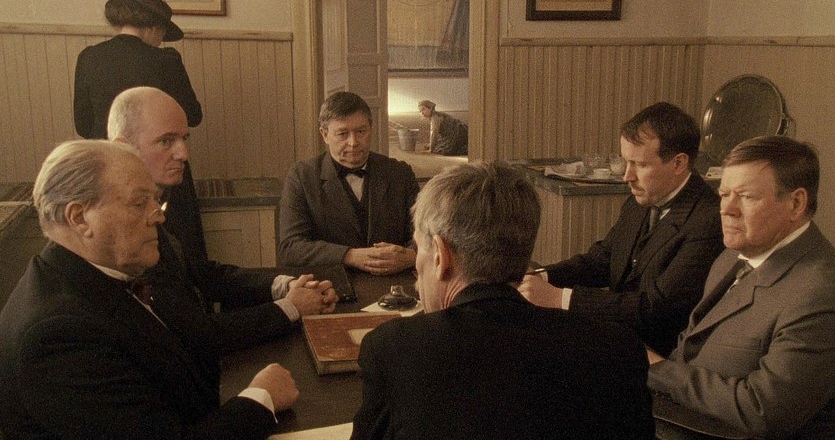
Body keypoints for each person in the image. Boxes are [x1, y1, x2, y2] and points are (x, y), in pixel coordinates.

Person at [0, 140, 297, 437]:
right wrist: (261, 399)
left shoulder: (98, 274)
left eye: (155, 199)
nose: (159, 214)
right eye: (139, 203)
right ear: (79, 218)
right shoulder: (55, 335)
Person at [351, 162, 655, 439]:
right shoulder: (617, 348)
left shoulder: (394, 350)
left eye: (420, 248)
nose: (417, 265)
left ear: (441, 256)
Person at [108, 87, 338, 353]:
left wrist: (285, 285)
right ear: (123, 148)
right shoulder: (121, 225)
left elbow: (201, 274)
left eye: (184, 139)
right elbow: (196, 334)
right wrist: (291, 307)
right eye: (166, 141)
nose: (184, 154)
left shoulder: (158, 200)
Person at [648, 136, 835, 438]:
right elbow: (689, 348)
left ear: (796, 203)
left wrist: (656, 369)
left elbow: (763, 410)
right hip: (677, 418)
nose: (727, 209)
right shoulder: (731, 257)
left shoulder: (820, 291)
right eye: (724, 194)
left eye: (746, 197)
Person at [518, 102, 724, 356]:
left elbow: (656, 308)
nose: (627, 176)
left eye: (640, 165)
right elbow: (604, 259)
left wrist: (559, 298)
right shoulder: (643, 198)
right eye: (626, 162)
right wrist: (541, 276)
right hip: (618, 337)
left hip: (657, 355)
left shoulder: (708, 221)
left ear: (679, 163)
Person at [73, 0, 206, 271]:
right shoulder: (166, 60)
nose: (160, 41)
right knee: (182, 259)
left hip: (105, 175)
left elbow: (83, 125)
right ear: (154, 27)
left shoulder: (89, 58)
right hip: (162, 174)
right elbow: (193, 115)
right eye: (162, 33)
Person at [278, 91, 420, 275]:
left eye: (361, 132)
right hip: (331, 283)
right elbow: (290, 248)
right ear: (325, 135)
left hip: (394, 284)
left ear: (371, 129)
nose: (353, 142)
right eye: (343, 133)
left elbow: (429, 235)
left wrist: (411, 256)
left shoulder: (400, 173)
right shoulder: (302, 177)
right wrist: (350, 256)